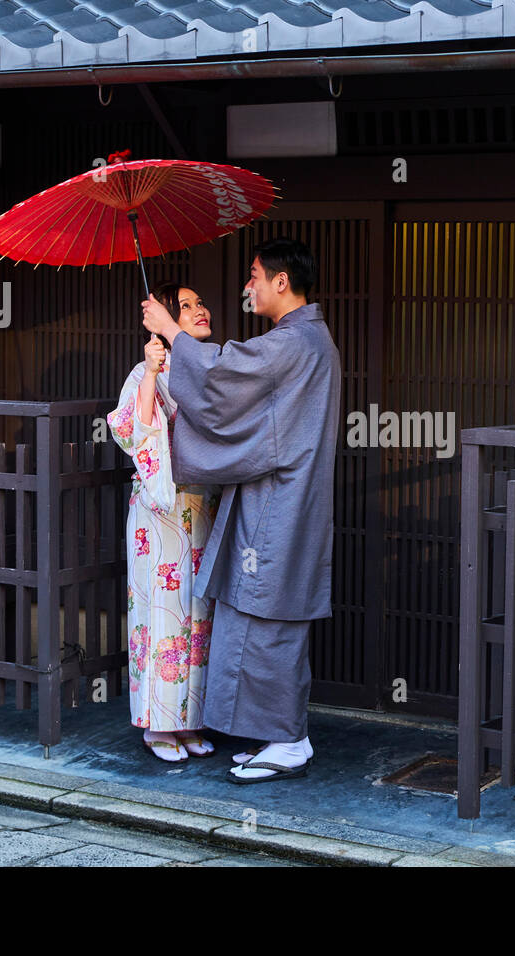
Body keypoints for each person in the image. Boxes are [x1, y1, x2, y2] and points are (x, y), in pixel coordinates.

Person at [141, 237, 341, 784]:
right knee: (263, 612)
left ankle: (289, 740)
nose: (246, 285)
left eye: (254, 275)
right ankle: (278, 737)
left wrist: (172, 330)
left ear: (282, 281)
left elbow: (223, 379)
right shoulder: (304, 341)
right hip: (281, 499)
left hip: (280, 503)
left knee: (270, 614)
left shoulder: (295, 342)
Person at [107, 282, 221, 762]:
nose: (200, 309)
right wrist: (153, 374)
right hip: (158, 511)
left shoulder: (211, 366)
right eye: (186, 306)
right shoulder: (144, 370)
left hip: (201, 507)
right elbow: (133, 432)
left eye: (200, 302)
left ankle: (190, 720)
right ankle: (158, 725)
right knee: (160, 615)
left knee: (198, 617)